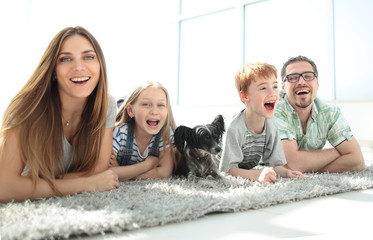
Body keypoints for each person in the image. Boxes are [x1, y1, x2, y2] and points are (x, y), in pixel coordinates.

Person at [0, 26, 120, 203]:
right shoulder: (27, 109)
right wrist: (85, 184)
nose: (79, 67)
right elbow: (5, 187)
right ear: (53, 70)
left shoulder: (106, 105)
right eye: (65, 59)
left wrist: (41, 184)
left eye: (88, 57)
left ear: (100, 65)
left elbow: (98, 170)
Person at [274, 55, 365, 173]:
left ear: (317, 84)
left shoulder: (330, 113)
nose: (301, 82)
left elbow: (357, 161)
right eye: (293, 78)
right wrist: (335, 152)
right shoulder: (275, 109)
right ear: (283, 87)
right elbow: (292, 163)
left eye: (308, 76)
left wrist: (307, 166)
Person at [219, 62, 304, 183]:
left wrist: (286, 172)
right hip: (208, 162)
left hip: (244, 167)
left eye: (275, 87)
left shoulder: (272, 125)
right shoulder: (234, 127)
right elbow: (228, 170)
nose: (273, 93)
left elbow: (275, 164)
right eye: (263, 88)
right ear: (244, 96)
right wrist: (256, 174)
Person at [109, 81, 177, 181]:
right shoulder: (119, 132)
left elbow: (164, 172)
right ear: (130, 111)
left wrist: (121, 172)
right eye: (146, 104)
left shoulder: (165, 133)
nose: (154, 111)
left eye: (161, 105)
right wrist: (146, 165)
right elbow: (107, 173)